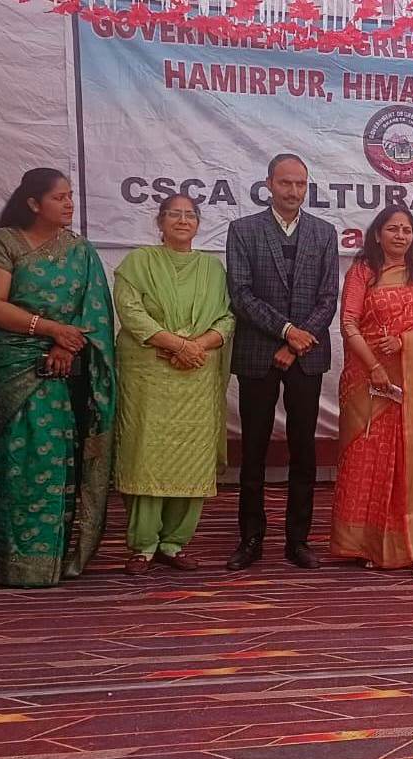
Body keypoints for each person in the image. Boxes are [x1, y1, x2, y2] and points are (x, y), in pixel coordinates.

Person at [0, 168, 116, 588]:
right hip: (13, 366)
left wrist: (65, 345)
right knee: (17, 464)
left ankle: (51, 561)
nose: (69, 204)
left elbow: (91, 313)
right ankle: (11, 563)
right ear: (33, 203)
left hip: (63, 368)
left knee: (58, 463)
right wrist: (50, 329)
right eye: (60, 197)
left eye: (70, 196)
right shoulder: (5, 242)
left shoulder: (80, 251)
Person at [332, 205, 413, 575]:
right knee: (367, 460)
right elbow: (348, 323)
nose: (400, 236)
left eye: (406, 230)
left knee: (410, 460)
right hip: (368, 385)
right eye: (393, 229)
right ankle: (364, 544)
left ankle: (408, 544)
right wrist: (374, 366)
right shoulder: (363, 271)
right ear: (377, 234)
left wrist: (405, 342)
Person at [225, 154, 339, 571]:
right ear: (268, 184)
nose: (293, 191)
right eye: (286, 183)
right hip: (259, 353)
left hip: (306, 356)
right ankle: (251, 539)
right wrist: (287, 330)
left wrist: (296, 342)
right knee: (254, 450)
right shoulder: (243, 230)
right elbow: (241, 294)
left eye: (300, 184)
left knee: (303, 450)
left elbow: (328, 298)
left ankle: (298, 540)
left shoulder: (324, 233)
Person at [112, 194, 235, 575]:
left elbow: (228, 317)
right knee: (147, 453)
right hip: (150, 374)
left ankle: (175, 542)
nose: (183, 221)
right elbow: (130, 311)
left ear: (198, 223)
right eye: (174, 215)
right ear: (160, 222)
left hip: (196, 376)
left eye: (190, 215)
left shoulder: (213, 269)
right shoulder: (139, 262)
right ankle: (144, 545)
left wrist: (197, 346)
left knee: (191, 458)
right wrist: (177, 345)